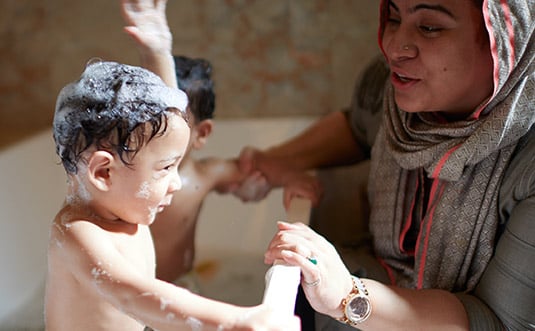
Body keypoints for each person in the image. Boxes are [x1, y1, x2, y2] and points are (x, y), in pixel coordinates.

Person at [238, 0, 535, 330]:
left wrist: (347, 295)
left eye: (430, 27)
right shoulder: (393, 89)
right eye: (394, 18)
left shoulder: (529, 164)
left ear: (507, 39)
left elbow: (498, 324)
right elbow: (359, 126)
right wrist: (272, 161)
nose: (394, 48)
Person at [44, 60, 301, 331]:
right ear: (104, 173)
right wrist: (236, 321)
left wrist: (159, 49)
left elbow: (166, 104)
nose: (176, 183)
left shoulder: (125, 207)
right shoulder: (77, 234)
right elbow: (133, 295)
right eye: (166, 168)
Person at [120, 0, 319, 286]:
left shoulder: (204, 175)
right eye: (145, 115)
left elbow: (254, 170)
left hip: (181, 283)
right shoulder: (131, 181)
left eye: (175, 119)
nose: (154, 128)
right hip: (141, 295)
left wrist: (292, 178)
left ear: (201, 134)